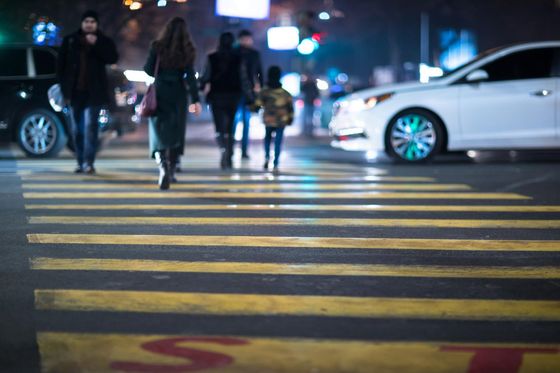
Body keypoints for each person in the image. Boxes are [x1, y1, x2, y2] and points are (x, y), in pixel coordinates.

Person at [57, 10, 118, 174]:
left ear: (96, 24)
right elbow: (61, 67)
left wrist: (96, 44)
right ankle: (80, 161)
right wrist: (64, 90)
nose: (89, 24)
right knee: (77, 129)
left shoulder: (103, 40)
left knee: (91, 127)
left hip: (94, 94)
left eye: (92, 21)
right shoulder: (70, 41)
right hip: (75, 93)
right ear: (82, 23)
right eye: (86, 21)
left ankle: (88, 163)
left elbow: (112, 58)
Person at [143, 17, 202, 190]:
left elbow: (148, 69)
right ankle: (173, 167)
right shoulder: (187, 50)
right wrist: (196, 100)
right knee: (176, 132)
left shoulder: (157, 47)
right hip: (178, 93)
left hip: (160, 92)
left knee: (159, 130)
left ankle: (163, 166)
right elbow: (190, 77)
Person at [200, 32, 242, 170]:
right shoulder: (238, 58)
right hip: (234, 95)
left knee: (219, 126)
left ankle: (223, 150)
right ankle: (229, 152)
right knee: (230, 126)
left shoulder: (212, 58)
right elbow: (244, 77)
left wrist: (200, 87)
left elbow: (206, 76)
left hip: (216, 95)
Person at [255, 66, 294, 172]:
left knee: (267, 139)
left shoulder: (264, 92)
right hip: (281, 120)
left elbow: (257, 104)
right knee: (278, 141)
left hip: (268, 119)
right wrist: (290, 118)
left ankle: (267, 157)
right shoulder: (285, 93)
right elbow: (290, 107)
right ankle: (276, 162)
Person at [234, 29, 263, 159]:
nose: (247, 41)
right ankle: (232, 148)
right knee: (235, 121)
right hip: (236, 91)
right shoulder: (235, 52)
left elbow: (260, 72)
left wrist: (260, 87)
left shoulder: (254, 54)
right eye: (245, 39)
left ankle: (243, 150)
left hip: (248, 93)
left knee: (245, 121)